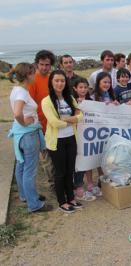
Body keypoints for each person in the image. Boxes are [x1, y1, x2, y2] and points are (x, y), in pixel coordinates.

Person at [8, 63, 52, 213]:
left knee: (21, 166)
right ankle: (34, 204)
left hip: (20, 134)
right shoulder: (22, 93)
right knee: (29, 170)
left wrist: (21, 122)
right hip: (27, 134)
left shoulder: (17, 89)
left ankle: (25, 195)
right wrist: (24, 121)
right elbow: (17, 113)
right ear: (28, 75)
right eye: (34, 73)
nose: (36, 75)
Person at [41, 70, 83, 213]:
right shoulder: (46, 101)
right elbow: (54, 123)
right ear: (51, 83)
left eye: (62, 81)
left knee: (70, 170)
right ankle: (62, 201)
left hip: (71, 138)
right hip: (56, 141)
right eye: (56, 80)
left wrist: (69, 119)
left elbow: (81, 115)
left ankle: (71, 198)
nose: (60, 83)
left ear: (66, 83)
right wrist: (73, 120)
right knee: (60, 172)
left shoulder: (70, 98)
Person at [28, 50, 56, 191]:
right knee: (46, 158)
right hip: (40, 125)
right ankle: (53, 185)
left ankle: (58, 182)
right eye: (42, 64)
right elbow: (29, 105)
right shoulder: (32, 80)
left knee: (55, 155)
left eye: (47, 65)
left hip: (54, 124)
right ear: (37, 63)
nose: (44, 67)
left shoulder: (52, 78)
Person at [71, 78, 96, 201]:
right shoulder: (72, 101)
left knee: (87, 159)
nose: (83, 89)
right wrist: (79, 106)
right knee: (78, 161)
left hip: (89, 136)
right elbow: (73, 117)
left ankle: (88, 183)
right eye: (80, 87)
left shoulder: (91, 101)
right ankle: (78, 186)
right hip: (76, 136)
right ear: (75, 88)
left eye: (85, 87)